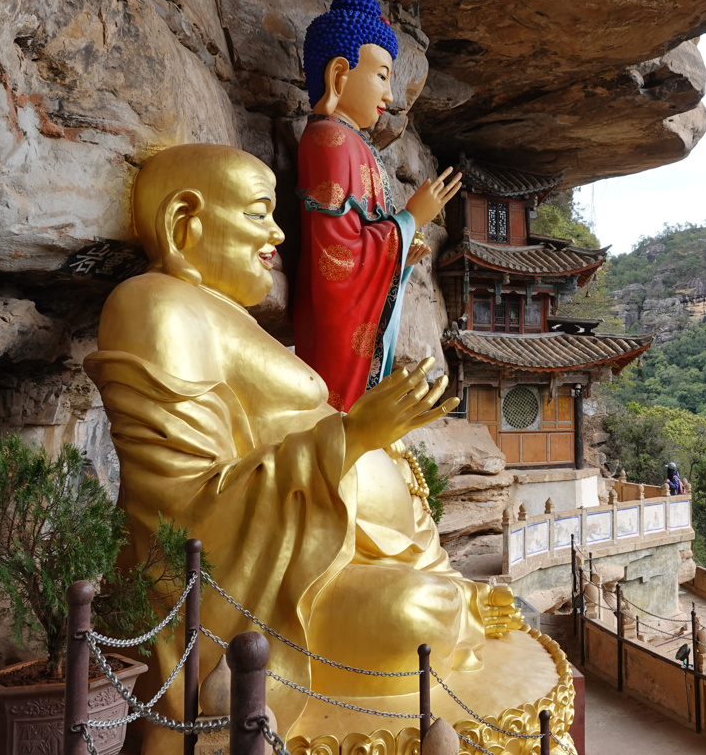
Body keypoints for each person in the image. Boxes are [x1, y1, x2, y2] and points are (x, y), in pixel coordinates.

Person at [85, 144, 515, 755]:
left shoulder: (229, 316)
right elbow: (179, 511)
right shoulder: (155, 306)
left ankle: (454, 598)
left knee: (426, 608)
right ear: (185, 221)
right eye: (258, 213)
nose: (278, 233)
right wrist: (352, 437)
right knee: (415, 616)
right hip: (278, 589)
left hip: (334, 548)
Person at [293, 0, 462, 410]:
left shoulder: (352, 142)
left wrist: (399, 258)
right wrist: (409, 219)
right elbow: (336, 256)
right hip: (333, 331)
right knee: (341, 421)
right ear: (338, 75)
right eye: (383, 76)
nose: (389, 96)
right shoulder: (329, 140)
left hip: (353, 313)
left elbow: (361, 238)